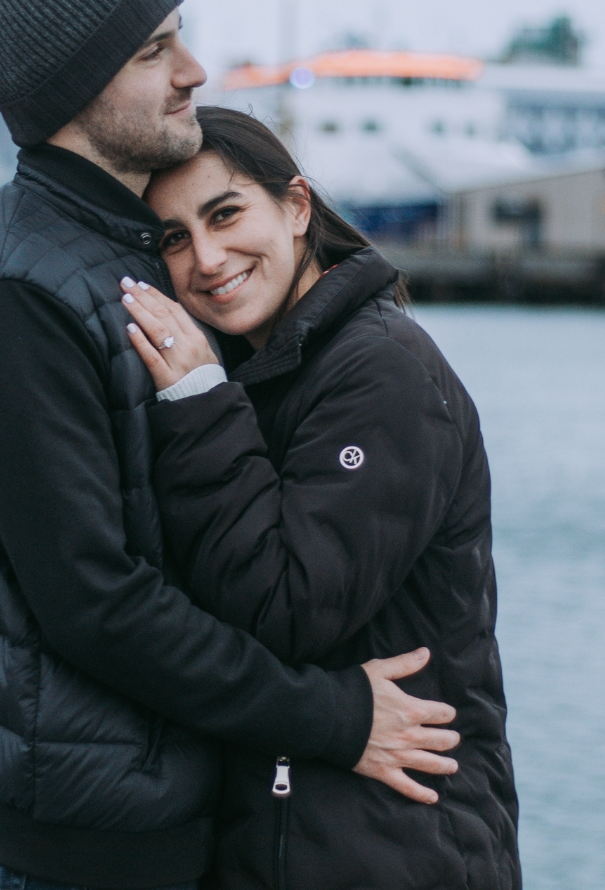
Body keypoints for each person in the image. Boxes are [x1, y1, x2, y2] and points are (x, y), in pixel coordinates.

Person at [0, 0, 461, 890]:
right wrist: (335, 716)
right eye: (154, 49)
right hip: (71, 848)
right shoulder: (17, 304)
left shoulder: (125, 247)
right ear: (73, 86)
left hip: (155, 819)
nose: (195, 70)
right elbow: (96, 606)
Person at [120, 106, 521, 890]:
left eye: (226, 213)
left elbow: (286, 608)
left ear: (297, 208)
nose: (206, 256)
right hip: (305, 839)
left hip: (395, 847)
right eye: (173, 237)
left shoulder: (383, 372)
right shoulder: (270, 371)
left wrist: (200, 400)